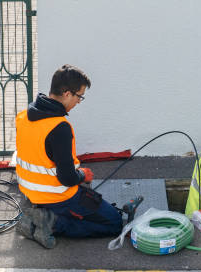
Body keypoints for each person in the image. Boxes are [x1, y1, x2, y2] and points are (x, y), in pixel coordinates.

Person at [15, 64, 123, 248]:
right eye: (79, 96)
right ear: (67, 93)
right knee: (114, 222)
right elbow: (67, 178)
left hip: (28, 191)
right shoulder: (59, 128)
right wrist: (83, 175)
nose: (79, 102)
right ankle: (53, 223)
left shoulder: (23, 116)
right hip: (57, 196)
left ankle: (38, 216)